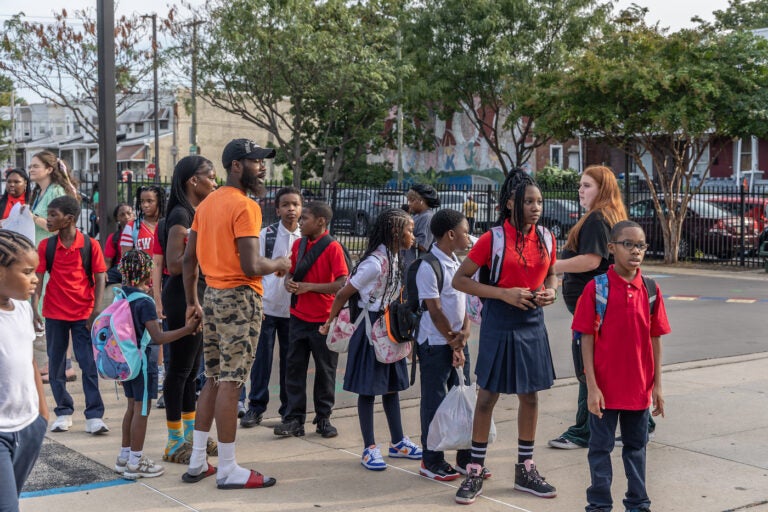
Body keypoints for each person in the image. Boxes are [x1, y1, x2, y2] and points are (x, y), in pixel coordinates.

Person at [181, 138, 291, 490]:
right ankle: (228, 469)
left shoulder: (207, 204)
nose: (262, 167)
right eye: (255, 161)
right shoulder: (245, 206)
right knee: (231, 381)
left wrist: (192, 302)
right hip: (239, 298)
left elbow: (188, 261)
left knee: (212, 378)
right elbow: (251, 264)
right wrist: (280, 263)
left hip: (212, 295)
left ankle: (198, 461)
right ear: (236, 165)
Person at [451, 169, 558, 504]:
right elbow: (460, 280)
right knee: (487, 397)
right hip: (500, 318)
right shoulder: (492, 239)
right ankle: (475, 470)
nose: (535, 207)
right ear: (510, 203)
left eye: (539, 201)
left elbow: (552, 274)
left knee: (530, 395)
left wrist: (550, 292)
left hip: (532, 320)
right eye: (528, 201)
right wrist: (503, 293)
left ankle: (525, 468)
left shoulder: (547, 237)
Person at [574, 220, 670, 512]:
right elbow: (585, 340)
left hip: (638, 389)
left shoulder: (651, 290)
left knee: (636, 449)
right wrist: (592, 387)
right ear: (612, 248)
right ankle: (599, 505)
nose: (635, 251)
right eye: (628, 244)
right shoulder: (597, 288)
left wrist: (657, 386)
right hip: (604, 390)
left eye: (640, 245)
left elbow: (655, 339)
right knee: (600, 450)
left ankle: (638, 503)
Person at [320, 207, 423, 472]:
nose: (413, 234)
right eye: (409, 230)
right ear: (394, 232)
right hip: (370, 331)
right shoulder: (374, 263)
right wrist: (330, 321)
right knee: (368, 389)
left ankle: (398, 441)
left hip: (389, 330)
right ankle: (369, 447)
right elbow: (344, 294)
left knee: (391, 387)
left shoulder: (397, 257)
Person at [548, 165, 632, 451]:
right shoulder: (609, 215)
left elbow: (590, 261)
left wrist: (551, 266)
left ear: (602, 189)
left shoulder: (597, 218)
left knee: (587, 367)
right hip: (602, 304)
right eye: (581, 185)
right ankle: (642, 425)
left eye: (587, 185)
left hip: (593, 308)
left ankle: (583, 431)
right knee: (610, 366)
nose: (580, 190)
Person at [113, 250, 202, 480]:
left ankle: (124, 457)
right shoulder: (144, 301)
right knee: (142, 412)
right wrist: (187, 329)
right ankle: (135, 462)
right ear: (146, 274)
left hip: (125, 363)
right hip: (143, 364)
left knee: (131, 408)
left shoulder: (120, 295)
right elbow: (158, 338)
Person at [31, 195, 108, 434]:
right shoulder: (47, 246)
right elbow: (39, 278)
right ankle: (63, 411)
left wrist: (96, 311)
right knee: (55, 366)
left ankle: (94, 415)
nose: (49, 219)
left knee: (88, 364)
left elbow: (100, 277)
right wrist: (34, 307)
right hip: (54, 313)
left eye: (54, 215)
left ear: (69, 219)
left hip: (83, 314)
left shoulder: (89, 245)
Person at [158, 155, 218, 464]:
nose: (215, 181)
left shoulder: (196, 211)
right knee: (179, 371)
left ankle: (193, 434)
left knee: (191, 371)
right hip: (182, 297)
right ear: (193, 180)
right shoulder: (181, 213)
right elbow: (173, 263)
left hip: (197, 293)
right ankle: (173, 441)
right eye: (210, 175)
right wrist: (209, 256)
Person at [273, 201, 349, 438]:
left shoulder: (333, 247)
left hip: (323, 320)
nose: (300, 221)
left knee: (326, 371)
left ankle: (323, 418)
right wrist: (289, 283)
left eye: (305, 218)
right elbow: (292, 273)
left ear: (320, 221)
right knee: (294, 369)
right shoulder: (299, 244)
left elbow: (341, 283)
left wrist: (309, 288)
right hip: (297, 317)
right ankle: (295, 419)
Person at [414, 208, 474, 481]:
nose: (468, 236)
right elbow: (435, 311)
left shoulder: (458, 263)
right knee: (435, 403)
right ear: (451, 234)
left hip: (456, 342)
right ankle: (432, 460)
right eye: (465, 231)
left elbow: (467, 303)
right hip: (436, 344)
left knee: (462, 398)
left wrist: (465, 333)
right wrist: (455, 343)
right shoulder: (429, 265)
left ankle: (465, 457)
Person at [241, 186, 302, 428]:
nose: (291, 209)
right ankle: (256, 407)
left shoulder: (305, 238)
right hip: (266, 309)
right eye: (286, 204)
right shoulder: (265, 234)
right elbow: (254, 267)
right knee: (260, 363)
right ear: (277, 209)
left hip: (293, 312)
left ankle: (288, 410)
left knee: (290, 364)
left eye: (295, 204)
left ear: (301, 208)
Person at [0, 230, 49, 512]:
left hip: (29, 426)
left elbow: (29, 359)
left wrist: (42, 414)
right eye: (27, 272)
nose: (35, 279)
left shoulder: (21, 309)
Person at [28, 151, 79, 245]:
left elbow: (61, 227)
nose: (31, 170)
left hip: (52, 251)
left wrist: (34, 218)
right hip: (39, 250)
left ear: (49, 169)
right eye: (30, 167)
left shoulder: (56, 191)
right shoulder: (39, 192)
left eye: (36, 166)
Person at [120, 185, 165, 258]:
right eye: (142, 201)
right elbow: (125, 260)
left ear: (159, 202)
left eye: (149, 201)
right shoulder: (131, 227)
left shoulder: (167, 225)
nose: (145, 205)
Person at [402, 184, 440, 268]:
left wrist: (403, 235)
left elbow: (423, 245)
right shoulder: (417, 216)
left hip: (417, 265)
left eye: (412, 200)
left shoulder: (427, 217)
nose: (409, 204)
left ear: (421, 200)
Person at [104, 203, 134, 287]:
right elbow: (107, 261)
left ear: (133, 215)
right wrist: (103, 274)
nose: (126, 217)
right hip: (120, 269)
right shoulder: (113, 237)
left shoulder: (140, 233)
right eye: (122, 214)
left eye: (129, 213)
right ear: (117, 218)